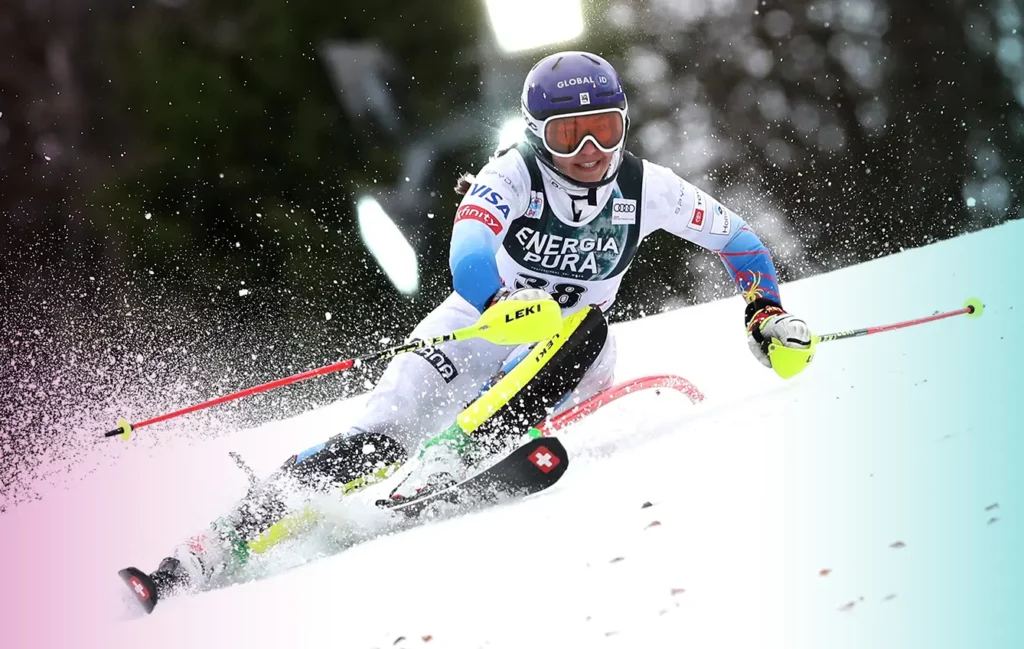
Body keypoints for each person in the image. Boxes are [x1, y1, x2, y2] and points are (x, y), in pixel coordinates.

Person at [148, 51, 813, 593]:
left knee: (587, 324)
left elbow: (740, 242)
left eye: (604, 129)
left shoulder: (649, 188)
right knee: (376, 437)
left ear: (623, 125)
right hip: (483, 321)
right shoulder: (514, 172)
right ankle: (210, 548)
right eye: (566, 134)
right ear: (534, 134)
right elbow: (469, 243)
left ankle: (455, 455)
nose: (588, 149)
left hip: (571, 353)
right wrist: (495, 301)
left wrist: (766, 311)